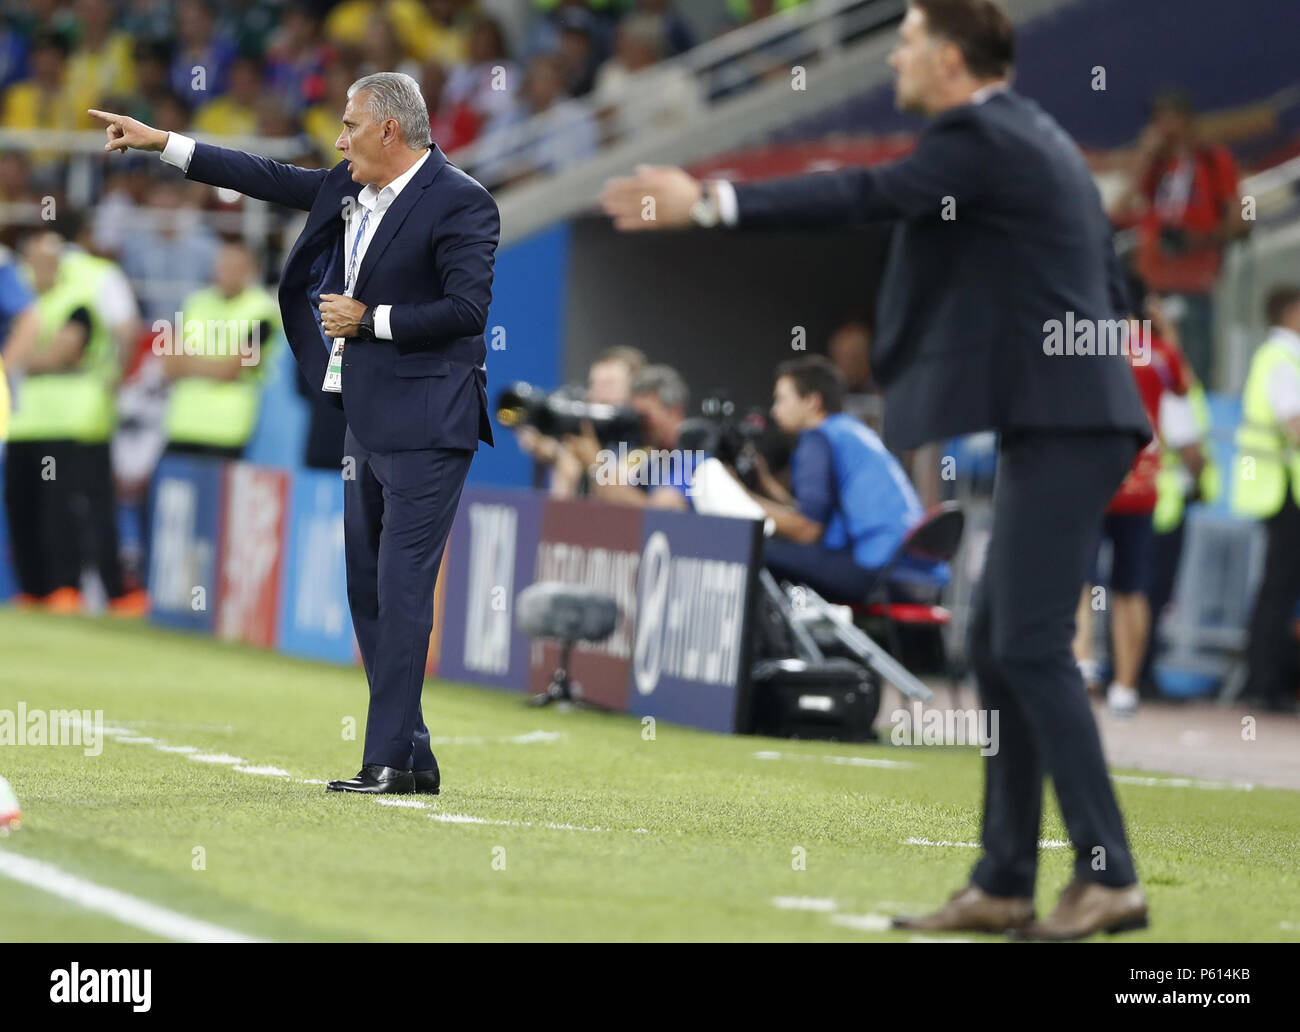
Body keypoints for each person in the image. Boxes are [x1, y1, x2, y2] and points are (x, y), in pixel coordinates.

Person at [600, 0, 1152, 939]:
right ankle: (1005, 881)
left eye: (901, 40)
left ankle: (1108, 875)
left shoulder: (983, 136)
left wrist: (710, 200)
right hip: (1059, 417)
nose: (890, 55)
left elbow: (865, 193)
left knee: (1024, 647)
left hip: (1069, 422)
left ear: (946, 57)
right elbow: (1097, 274)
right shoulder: (1024, 137)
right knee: (997, 644)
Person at [91, 68, 500, 795]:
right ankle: (411, 750)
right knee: (368, 589)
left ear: (389, 131)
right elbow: (264, 176)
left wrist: (369, 319)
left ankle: (388, 761)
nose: (338, 140)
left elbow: (468, 311)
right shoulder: (350, 187)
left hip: (431, 421)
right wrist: (165, 146)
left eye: (348, 125)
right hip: (364, 418)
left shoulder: (463, 203)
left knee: (404, 589)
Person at [1073, 276, 1204, 718]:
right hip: (1144, 487)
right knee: (1132, 589)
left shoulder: (1088, 346)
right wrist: (1167, 333)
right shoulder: (1161, 354)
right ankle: (1126, 689)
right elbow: (1183, 395)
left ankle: (1083, 665)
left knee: (1083, 582)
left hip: (1092, 481)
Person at [3, 230, 143, 615]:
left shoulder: (77, 301)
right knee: (22, 506)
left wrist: (17, 358)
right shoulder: (19, 304)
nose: (38, 270)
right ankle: (35, 589)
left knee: (66, 509)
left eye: (47, 262)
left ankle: (73, 588)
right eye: (31, 262)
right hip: (23, 420)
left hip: (74, 421)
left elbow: (62, 354)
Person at [751, 355, 945, 604]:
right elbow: (815, 515)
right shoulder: (850, 431)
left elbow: (808, 531)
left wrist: (736, 496)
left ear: (811, 402)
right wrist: (766, 484)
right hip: (912, 571)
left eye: (781, 399)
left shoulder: (817, 439)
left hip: (873, 569)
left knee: (755, 548)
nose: (774, 410)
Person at [1112, 90, 1247, 387]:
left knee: (1195, 366)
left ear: (1188, 121)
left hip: (1195, 281)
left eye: (1173, 118)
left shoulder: (1214, 160)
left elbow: (1243, 218)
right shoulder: (1154, 165)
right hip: (1151, 281)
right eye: (1159, 120)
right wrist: (1145, 154)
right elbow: (1119, 208)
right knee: (1148, 363)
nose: (1166, 128)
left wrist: (1199, 238)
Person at [1234, 286, 1300, 714]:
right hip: (1280, 490)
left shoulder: (1282, 357)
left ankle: (1266, 680)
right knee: (1278, 589)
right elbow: (1294, 421)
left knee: (1280, 587)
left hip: (1282, 487)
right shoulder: (1280, 357)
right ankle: (1263, 682)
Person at [162, 240, 280, 460]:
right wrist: (217, 364)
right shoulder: (194, 302)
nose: (227, 273)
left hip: (228, 431)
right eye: (223, 266)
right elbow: (169, 364)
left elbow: (232, 370)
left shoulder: (262, 310)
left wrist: (189, 363)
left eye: (236, 267)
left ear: (251, 270)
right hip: (182, 424)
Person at [514, 344, 645, 497]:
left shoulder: (644, 445)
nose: (598, 393)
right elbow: (561, 506)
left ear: (636, 391)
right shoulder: (587, 435)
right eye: (594, 384)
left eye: (609, 384)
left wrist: (586, 463)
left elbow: (618, 503)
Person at [562, 363, 692, 510]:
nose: (639, 425)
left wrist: (597, 467)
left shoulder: (692, 459)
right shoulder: (651, 461)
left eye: (645, 417)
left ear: (675, 413)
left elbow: (658, 513)